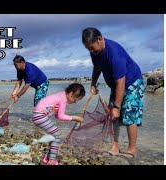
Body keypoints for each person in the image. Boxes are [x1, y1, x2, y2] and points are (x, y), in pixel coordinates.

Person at [82, 27, 144, 158]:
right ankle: (114, 147)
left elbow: (121, 82)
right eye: (89, 49)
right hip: (115, 85)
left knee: (130, 115)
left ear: (100, 39)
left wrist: (117, 106)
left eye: (92, 48)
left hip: (132, 82)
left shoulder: (114, 53)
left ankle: (131, 149)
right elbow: (97, 67)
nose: (91, 51)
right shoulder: (95, 52)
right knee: (112, 116)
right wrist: (93, 83)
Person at [31, 83, 85, 165]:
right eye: (75, 99)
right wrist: (75, 118)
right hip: (40, 116)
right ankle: (51, 161)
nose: (75, 102)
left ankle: (48, 158)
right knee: (57, 135)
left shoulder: (60, 95)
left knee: (54, 135)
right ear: (71, 93)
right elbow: (60, 116)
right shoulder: (63, 99)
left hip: (37, 116)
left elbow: (57, 115)